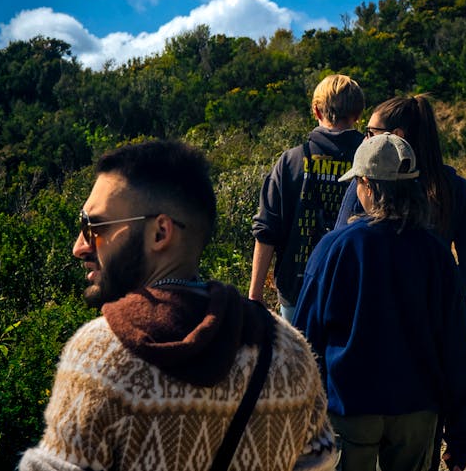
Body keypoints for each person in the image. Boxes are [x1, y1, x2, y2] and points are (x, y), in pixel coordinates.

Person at [19, 140, 337, 471]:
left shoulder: (98, 357)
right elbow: (320, 459)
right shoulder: (289, 352)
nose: (80, 246)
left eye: (94, 226)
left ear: (160, 233)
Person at [293, 134, 466, 471]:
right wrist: (463, 436)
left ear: (365, 184)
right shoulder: (436, 254)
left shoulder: (334, 249)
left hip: (349, 410)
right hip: (418, 411)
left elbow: (306, 341)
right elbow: (456, 347)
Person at [334, 94, 466, 297]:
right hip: (432, 321)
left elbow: (339, 248)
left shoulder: (366, 183)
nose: (365, 139)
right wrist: (433, 299)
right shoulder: (455, 187)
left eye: (370, 133)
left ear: (397, 135)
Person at [249, 74, 365, 322]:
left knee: (301, 360)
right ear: (357, 114)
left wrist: (255, 294)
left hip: (297, 289)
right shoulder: (370, 159)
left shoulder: (290, 161)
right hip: (357, 289)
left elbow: (266, 230)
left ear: (316, 111)